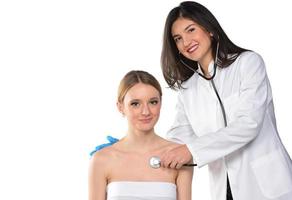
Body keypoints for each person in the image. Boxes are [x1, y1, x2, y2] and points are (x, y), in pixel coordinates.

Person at [158, 1, 292, 200]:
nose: (186, 42)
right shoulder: (188, 90)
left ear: (209, 29)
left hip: (267, 184)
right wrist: (135, 147)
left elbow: (249, 124)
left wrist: (192, 150)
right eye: (178, 38)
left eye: (191, 30)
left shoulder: (248, 63)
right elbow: (178, 137)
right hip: (224, 189)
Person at [88, 70, 193, 200]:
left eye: (153, 102)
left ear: (161, 102)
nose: (145, 111)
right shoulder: (101, 159)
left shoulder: (178, 156)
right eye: (135, 104)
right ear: (120, 107)